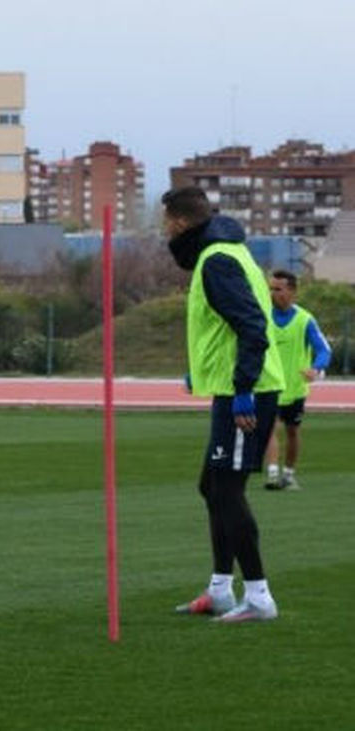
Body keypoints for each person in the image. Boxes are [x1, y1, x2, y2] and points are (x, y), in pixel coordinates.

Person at [163, 186, 285, 622]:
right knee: (211, 487)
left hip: (245, 393)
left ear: (178, 222)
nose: (166, 232)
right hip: (232, 386)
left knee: (228, 491)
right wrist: (201, 368)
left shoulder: (217, 261)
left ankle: (258, 597)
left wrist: (245, 389)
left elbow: (252, 324)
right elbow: (223, 326)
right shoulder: (225, 253)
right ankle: (219, 591)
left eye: (166, 223)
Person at [262, 269, 331, 491]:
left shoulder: (305, 320)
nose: (272, 293)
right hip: (269, 386)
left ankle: (289, 475)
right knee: (269, 428)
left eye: (278, 289)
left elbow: (323, 350)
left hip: (295, 390)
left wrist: (316, 367)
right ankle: (272, 475)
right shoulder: (262, 315)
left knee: (292, 432)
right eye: (270, 288)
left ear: (292, 291)